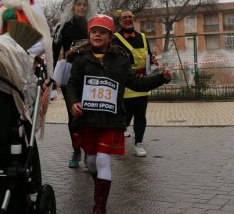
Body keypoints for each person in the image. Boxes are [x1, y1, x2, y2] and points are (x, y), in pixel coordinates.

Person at [65, 14, 171, 214]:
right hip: (87, 119)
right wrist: (73, 103)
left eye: (102, 32)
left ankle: (100, 207)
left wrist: (161, 78)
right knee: (91, 161)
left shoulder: (120, 60)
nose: (97, 35)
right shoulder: (80, 59)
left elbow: (137, 83)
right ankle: (100, 184)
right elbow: (71, 86)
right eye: (94, 32)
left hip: (111, 120)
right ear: (89, 35)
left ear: (110, 35)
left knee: (103, 160)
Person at [52, 0, 97, 168]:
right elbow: (55, 52)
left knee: (89, 113)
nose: (82, 7)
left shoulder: (92, 26)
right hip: (69, 73)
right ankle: (76, 150)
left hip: (90, 72)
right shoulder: (62, 27)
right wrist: (50, 76)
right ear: (73, 7)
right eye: (79, 4)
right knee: (73, 114)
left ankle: (88, 152)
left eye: (85, 5)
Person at [112, 10, 158, 157]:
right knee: (125, 115)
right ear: (120, 22)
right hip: (125, 83)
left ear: (133, 20)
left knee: (140, 114)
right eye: (124, 18)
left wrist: (152, 61)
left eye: (129, 17)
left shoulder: (143, 37)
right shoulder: (115, 38)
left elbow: (148, 57)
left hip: (142, 82)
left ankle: (139, 143)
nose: (127, 20)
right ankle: (118, 140)